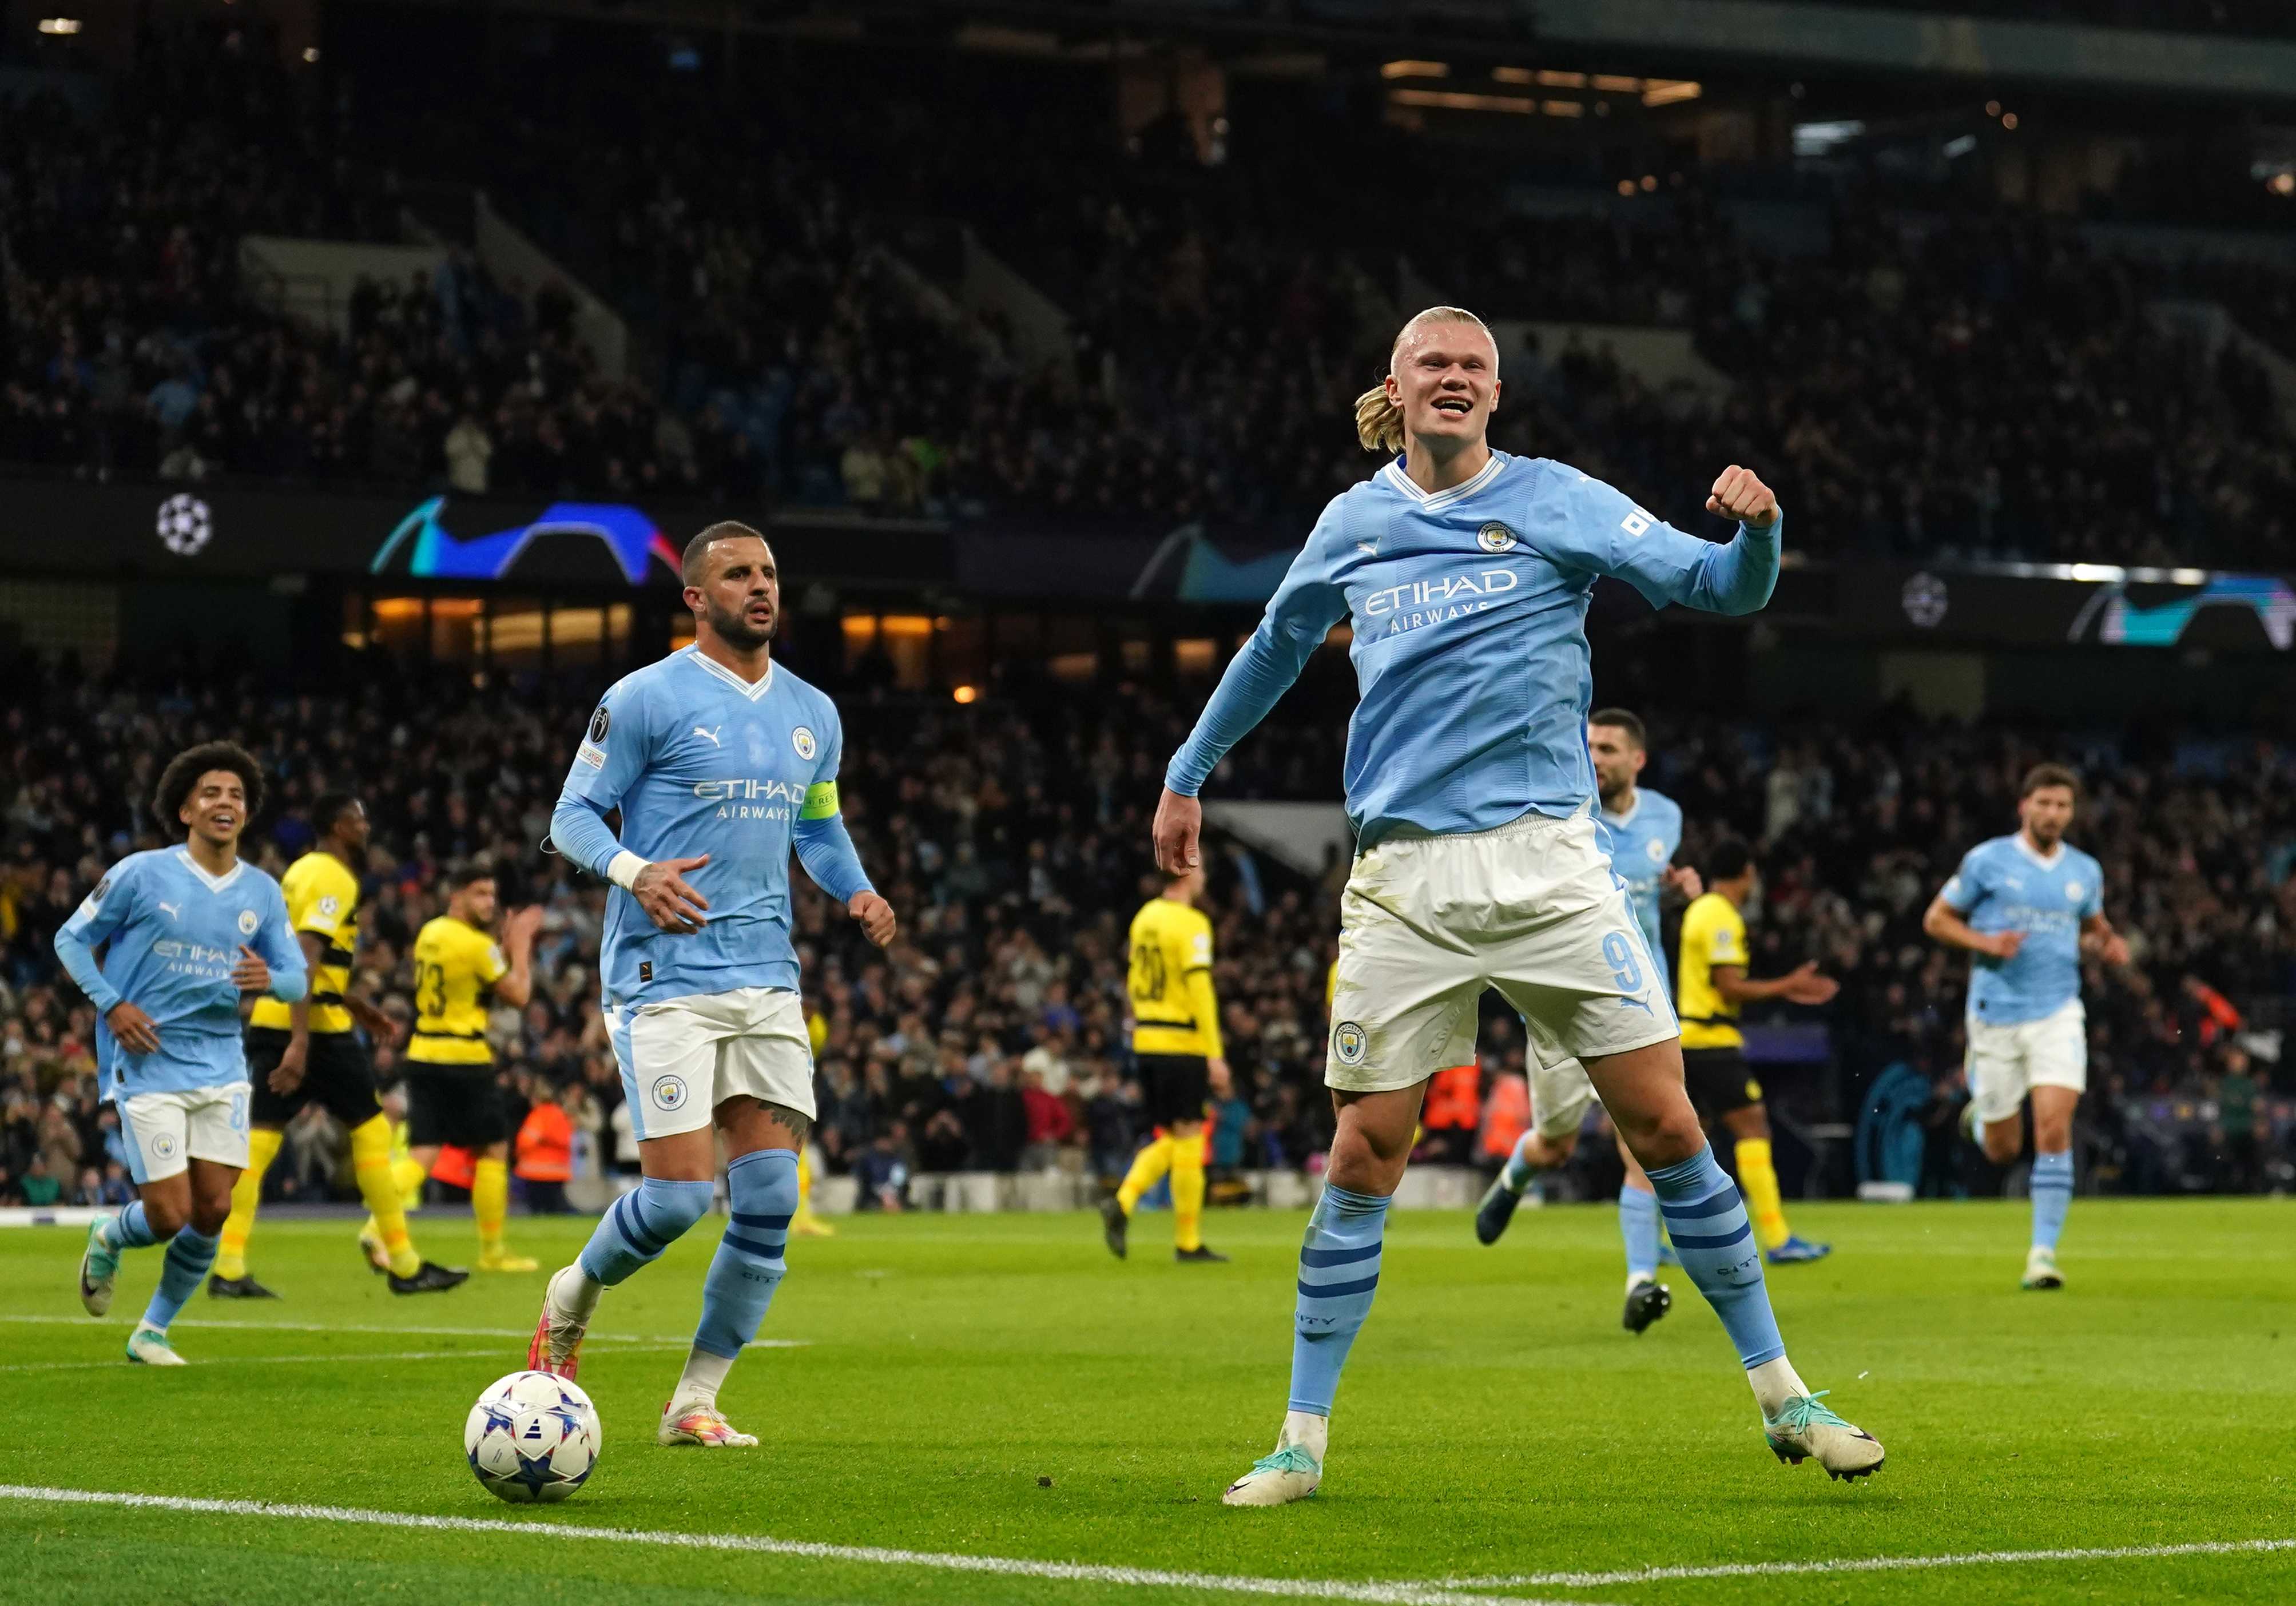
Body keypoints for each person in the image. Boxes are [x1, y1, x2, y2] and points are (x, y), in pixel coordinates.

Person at [1153, 305, 1883, 1506]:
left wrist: (1761, 534)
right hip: (1403, 880)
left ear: (1496, 394)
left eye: (1474, 368)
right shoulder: (1353, 523)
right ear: (1395, 385)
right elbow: (1276, 648)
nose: (1454, 379)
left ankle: (1785, 1394)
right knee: (1364, 1151)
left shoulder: (1560, 499)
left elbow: (1718, 587)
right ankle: (1299, 1440)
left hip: (1550, 863)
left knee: (1669, 1128)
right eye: (1433, 364)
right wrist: (1187, 773)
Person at [532, 521, 896, 1448]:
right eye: (737, 574)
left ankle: (693, 1399)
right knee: (677, 1200)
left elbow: (816, 828)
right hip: (664, 978)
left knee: (770, 1198)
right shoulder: (644, 697)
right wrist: (633, 871)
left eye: (768, 572)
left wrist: (855, 889)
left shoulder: (813, 709)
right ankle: (571, 1292)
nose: (760, 587)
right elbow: (570, 815)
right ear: (694, 595)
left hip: (767, 975)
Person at [54, 742, 307, 1364]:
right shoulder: (142, 874)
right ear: (187, 809)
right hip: (147, 1058)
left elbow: (300, 978)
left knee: (215, 1208)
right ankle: (111, 1234)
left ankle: (151, 1332)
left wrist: (269, 981)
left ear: (246, 815)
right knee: (168, 1215)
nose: (226, 803)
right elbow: (71, 939)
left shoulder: (263, 893)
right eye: (212, 793)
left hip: (220, 1062)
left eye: (237, 796)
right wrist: (112, 1003)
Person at [1475, 709, 1702, 1335]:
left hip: (1637, 1001)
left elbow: (1652, 886)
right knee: (1558, 1144)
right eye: (1589, 745)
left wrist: (1678, 888)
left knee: (1644, 1143)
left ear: (1638, 760)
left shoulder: (1666, 816)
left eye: (1607, 747)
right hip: (1562, 1001)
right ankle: (1517, 1174)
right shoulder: (1563, 809)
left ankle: (1639, 1282)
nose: (1595, 756)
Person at [214, 794, 464, 1297]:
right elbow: (303, 959)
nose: (365, 827)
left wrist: (354, 1004)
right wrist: (303, 1042)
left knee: (258, 1146)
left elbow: (296, 959)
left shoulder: (298, 873)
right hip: (312, 1028)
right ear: (335, 825)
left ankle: (228, 1268)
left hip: (278, 1015)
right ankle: (405, 1264)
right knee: (373, 1134)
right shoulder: (334, 877)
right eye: (357, 819)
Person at [1923, 764, 2127, 1290]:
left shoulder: (2084, 870)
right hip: (1996, 1016)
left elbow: (2090, 920)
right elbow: (1936, 920)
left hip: (2058, 1011)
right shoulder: (1987, 861)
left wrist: (2107, 940)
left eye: (2063, 806)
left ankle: (2042, 1254)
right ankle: (1978, 1120)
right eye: (2045, 803)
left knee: (2055, 1128)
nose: (2054, 814)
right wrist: (1987, 944)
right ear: (2024, 806)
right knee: (2002, 1149)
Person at [1674, 838, 1838, 1265]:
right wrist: (1787, 986)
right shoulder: (1721, 917)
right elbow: (1727, 986)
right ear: (1747, 873)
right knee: (1754, 1129)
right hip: (1712, 1042)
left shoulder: (1701, 910)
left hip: (1690, 1039)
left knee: (1691, 1142)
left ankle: (1677, 1235)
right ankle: (1778, 1238)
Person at [404, 864, 543, 1271]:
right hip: (464, 1057)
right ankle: (493, 1252)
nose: (489, 903)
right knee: (494, 1149)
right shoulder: (474, 944)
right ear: (457, 896)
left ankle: (380, 1225)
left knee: (423, 1153)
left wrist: (498, 945)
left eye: (491, 895)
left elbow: (472, 974)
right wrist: (520, 944)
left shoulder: (431, 933)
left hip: (423, 1051)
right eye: (480, 894)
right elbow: (517, 994)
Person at [1102, 865, 1231, 1263]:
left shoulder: (1145, 918)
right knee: (1191, 1135)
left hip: (1147, 1040)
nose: (1206, 874)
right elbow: (1199, 989)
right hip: (1182, 1040)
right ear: (1187, 874)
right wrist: (1214, 1053)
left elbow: (1135, 979)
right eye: (1202, 866)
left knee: (1173, 1138)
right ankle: (1187, 1242)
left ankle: (1123, 1202)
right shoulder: (1191, 923)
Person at [515, 1079, 574, 1215]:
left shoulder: (539, 1115)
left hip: (537, 1171)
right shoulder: (559, 1114)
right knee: (555, 1208)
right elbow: (567, 1139)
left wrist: (518, 1153)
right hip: (559, 1169)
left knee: (537, 1208)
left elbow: (527, 1141)